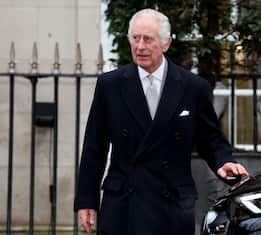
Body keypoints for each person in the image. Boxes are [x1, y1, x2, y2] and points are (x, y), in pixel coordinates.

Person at [74, 8, 248, 235]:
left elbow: (210, 139)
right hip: (123, 205)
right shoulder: (110, 85)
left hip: (172, 205)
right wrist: (86, 199)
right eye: (135, 38)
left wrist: (223, 161)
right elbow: (93, 148)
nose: (140, 46)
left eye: (148, 39)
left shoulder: (192, 87)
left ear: (166, 43)